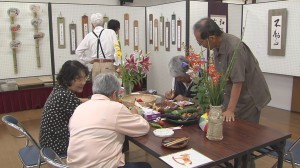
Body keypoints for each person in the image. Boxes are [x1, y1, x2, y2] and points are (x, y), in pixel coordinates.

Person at [193, 18, 271, 124]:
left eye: (200, 42)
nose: (201, 45)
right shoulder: (216, 45)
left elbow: (238, 81)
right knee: (229, 122)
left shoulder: (234, 48)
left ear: (212, 38)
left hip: (249, 94)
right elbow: (221, 76)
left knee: (245, 128)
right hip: (233, 92)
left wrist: (230, 110)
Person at [67, 73, 151, 168]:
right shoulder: (116, 108)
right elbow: (143, 128)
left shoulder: (80, 108)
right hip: (101, 166)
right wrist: (135, 114)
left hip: (74, 165)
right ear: (114, 94)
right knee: (146, 166)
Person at [39, 60, 89, 156]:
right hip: (57, 145)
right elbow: (87, 115)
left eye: (85, 78)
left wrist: (92, 100)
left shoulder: (60, 89)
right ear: (67, 78)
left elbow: (77, 100)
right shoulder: (64, 96)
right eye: (79, 79)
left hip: (48, 141)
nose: (83, 82)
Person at [76, 13, 121, 82]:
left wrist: (89, 60)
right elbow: (117, 50)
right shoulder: (111, 32)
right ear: (103, 23)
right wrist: (118, 64)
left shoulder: (89, 35)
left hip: (95, 66)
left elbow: (78, 51)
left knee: (97, 90)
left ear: (92, 24)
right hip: (108, 64)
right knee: (110, 89)